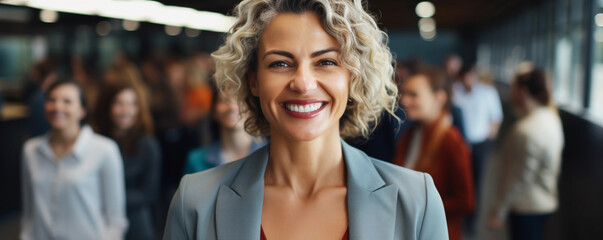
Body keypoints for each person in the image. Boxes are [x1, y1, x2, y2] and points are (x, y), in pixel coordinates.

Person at [163, 0, 448, 239]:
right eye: (280, 63)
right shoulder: (196, 201)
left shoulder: (416, 201)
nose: (302, 83)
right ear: (253, 81)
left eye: (326, 62)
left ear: (352, 77)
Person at [20, 79, 127, 240]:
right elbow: (29, 212)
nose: (57, 107)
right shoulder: (31, 150)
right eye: (51, 100)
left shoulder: (105, 149)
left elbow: (116, 220)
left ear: (82, 110)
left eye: (67, 101)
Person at [394, 66, 474, 240]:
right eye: (404, 94)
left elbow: (465, 201)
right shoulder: (411, 133)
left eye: (414, 95)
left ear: (439, 98)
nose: (404, 101)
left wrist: (419, 208)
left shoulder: (452, 141)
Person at [487, 64, 564, 240]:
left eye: (513, 89)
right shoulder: (551, 118)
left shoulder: (525, 130)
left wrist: (497, 211)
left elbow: (517, 178)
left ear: (522, 92)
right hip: (545, 202)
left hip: (526, 206)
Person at [94, 81, 162, 240]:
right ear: (107, 106)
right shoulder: (95, 143)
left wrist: (108, 199)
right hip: (99, 219)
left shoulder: (148, 145)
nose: (126, 111)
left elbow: (149, 194)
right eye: (119, 103)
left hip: (135, 219)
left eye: (132, 104)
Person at [183, 86, 263, 174]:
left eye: (241, 101)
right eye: (224, 101)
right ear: (213, 111)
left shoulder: (270, 155)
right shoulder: (196, 160)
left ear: (253, 109)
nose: (232, 107)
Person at [452, 64, 503, 199]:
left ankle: (474, 214)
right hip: (461, 141)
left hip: (481, 142)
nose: (468, 79)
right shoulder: (455, 91)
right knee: (460, 177)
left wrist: (488, 139)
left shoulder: (488, 92)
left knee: (478, 178)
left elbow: (496, 118)